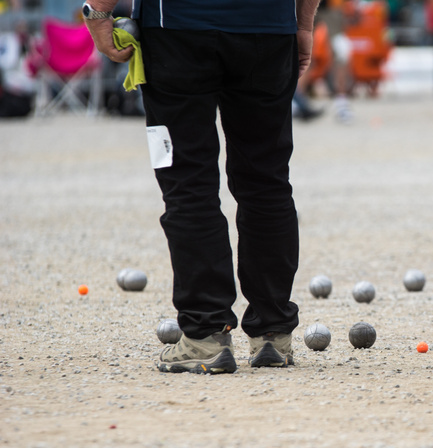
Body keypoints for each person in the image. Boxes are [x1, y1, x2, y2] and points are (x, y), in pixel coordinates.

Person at [83, 0, 320, 374]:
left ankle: (206, 334)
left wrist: (97, 12)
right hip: (269, 27)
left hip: (177, 28)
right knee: (266, 180)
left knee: (188, 182)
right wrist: (303, 24)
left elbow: (99, 9)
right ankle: (272, 332)